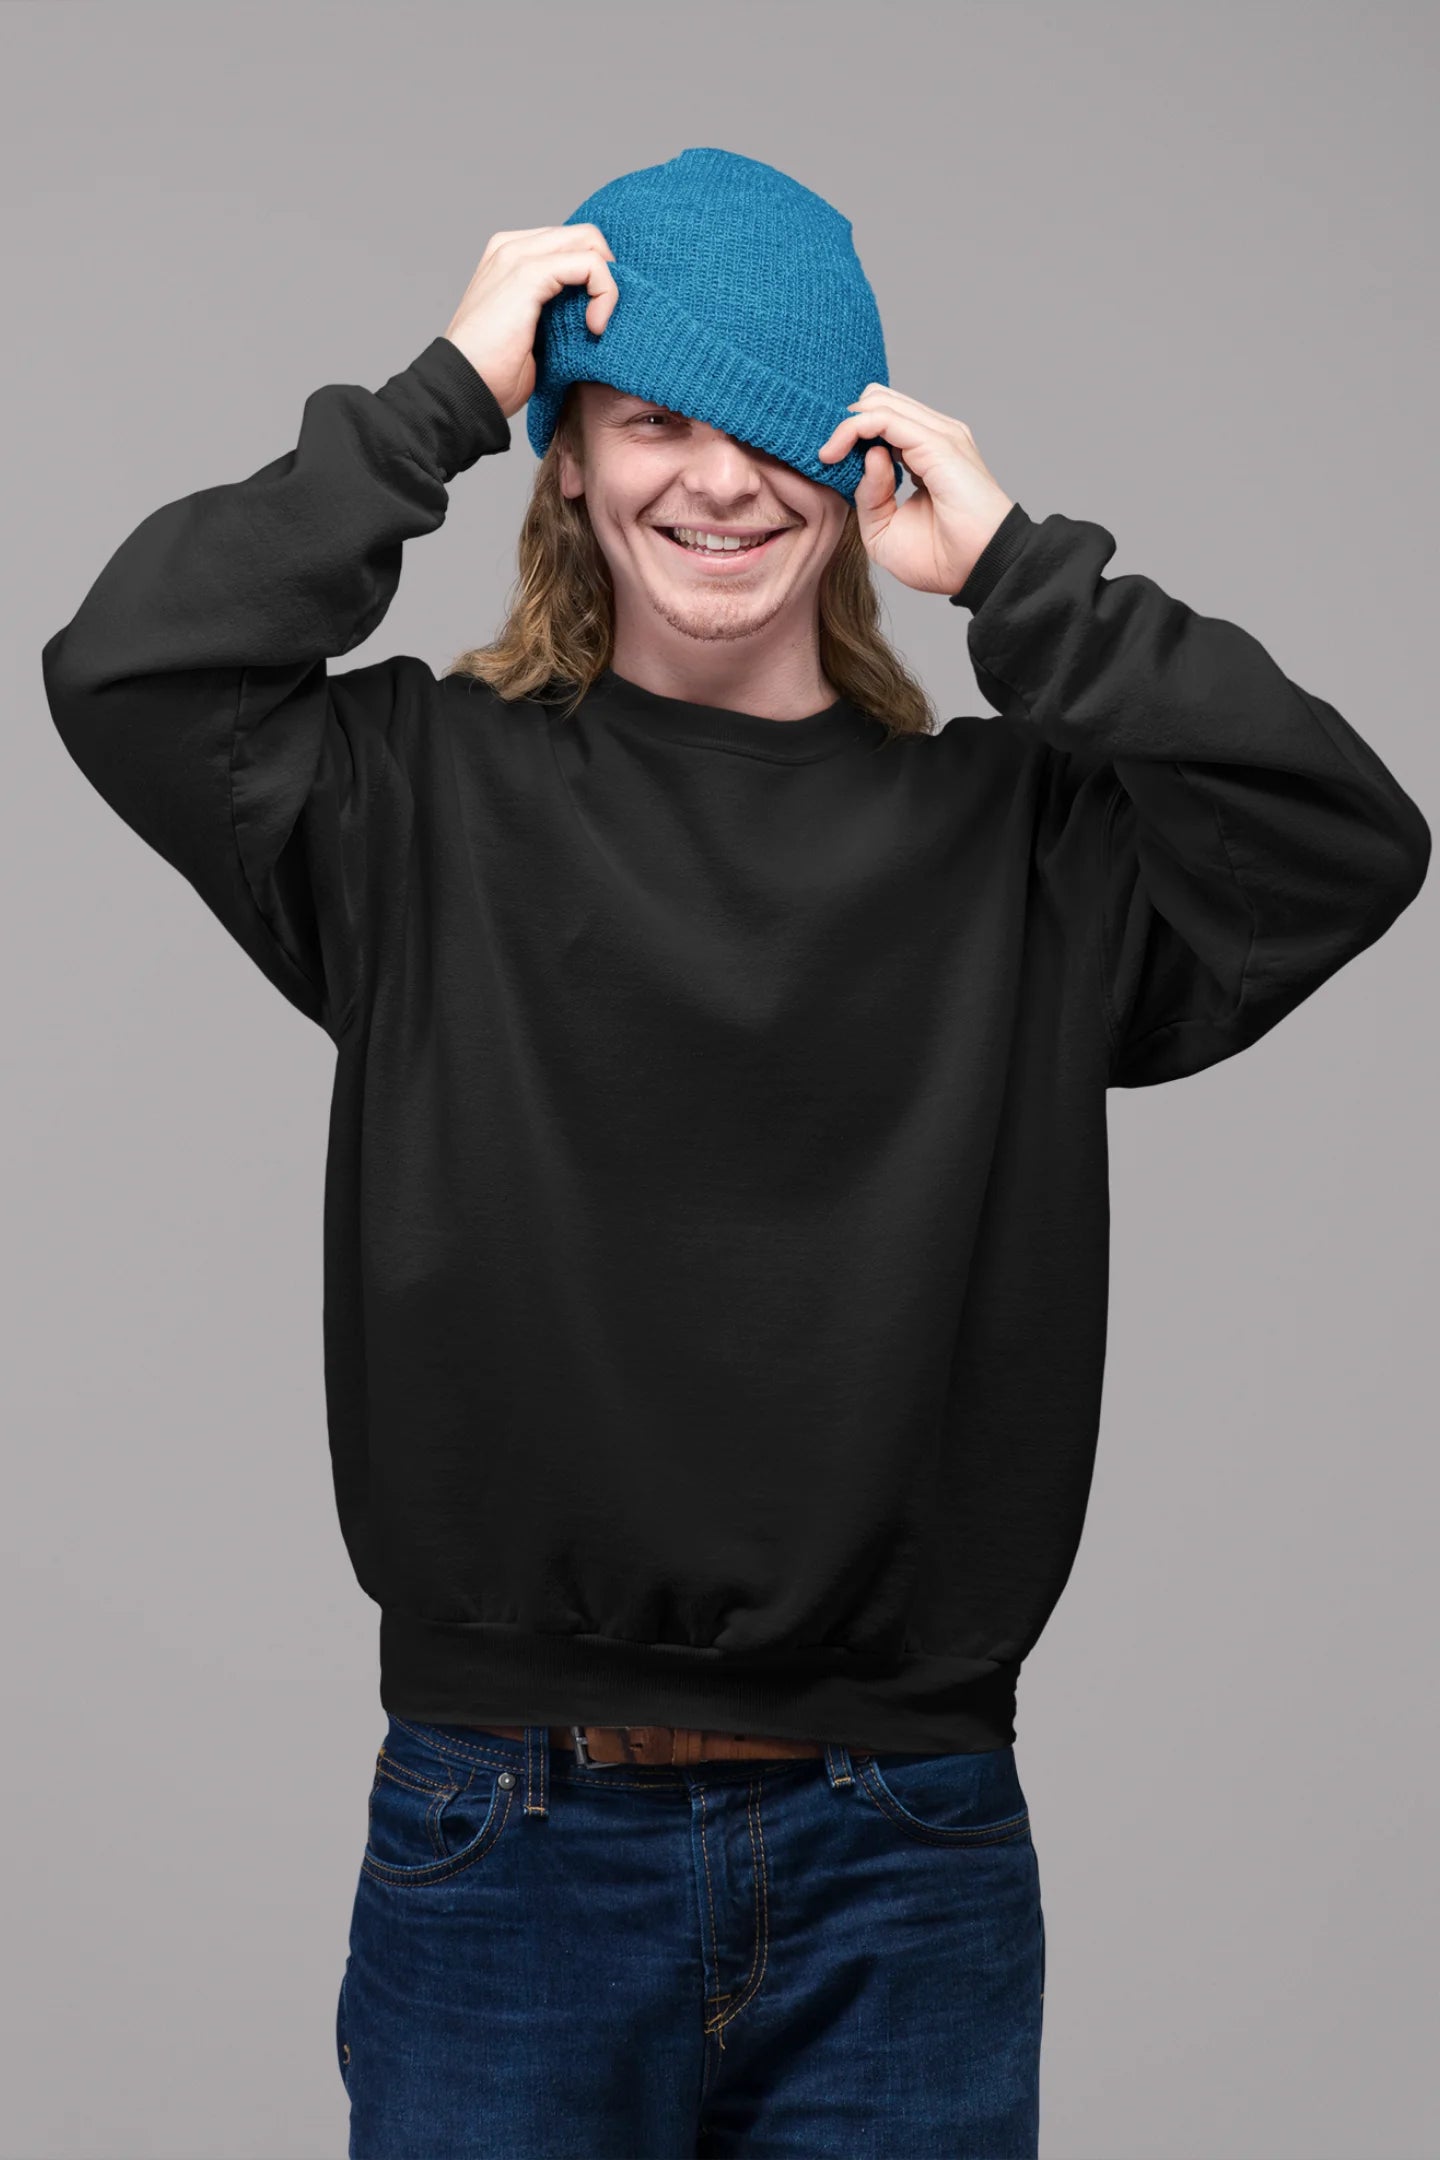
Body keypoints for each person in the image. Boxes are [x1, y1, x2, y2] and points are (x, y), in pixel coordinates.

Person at [41, 146, 1429, 2160]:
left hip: (906, 1844)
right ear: (573, 459)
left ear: (863, 469)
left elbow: (1346, 845)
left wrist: (1032, 576)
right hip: (506, 1819)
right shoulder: (413, 804)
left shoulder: (1019, 852)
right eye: (646, 416)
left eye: (772, 425)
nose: (711, 479)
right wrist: (436, 391)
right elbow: (128, 668)